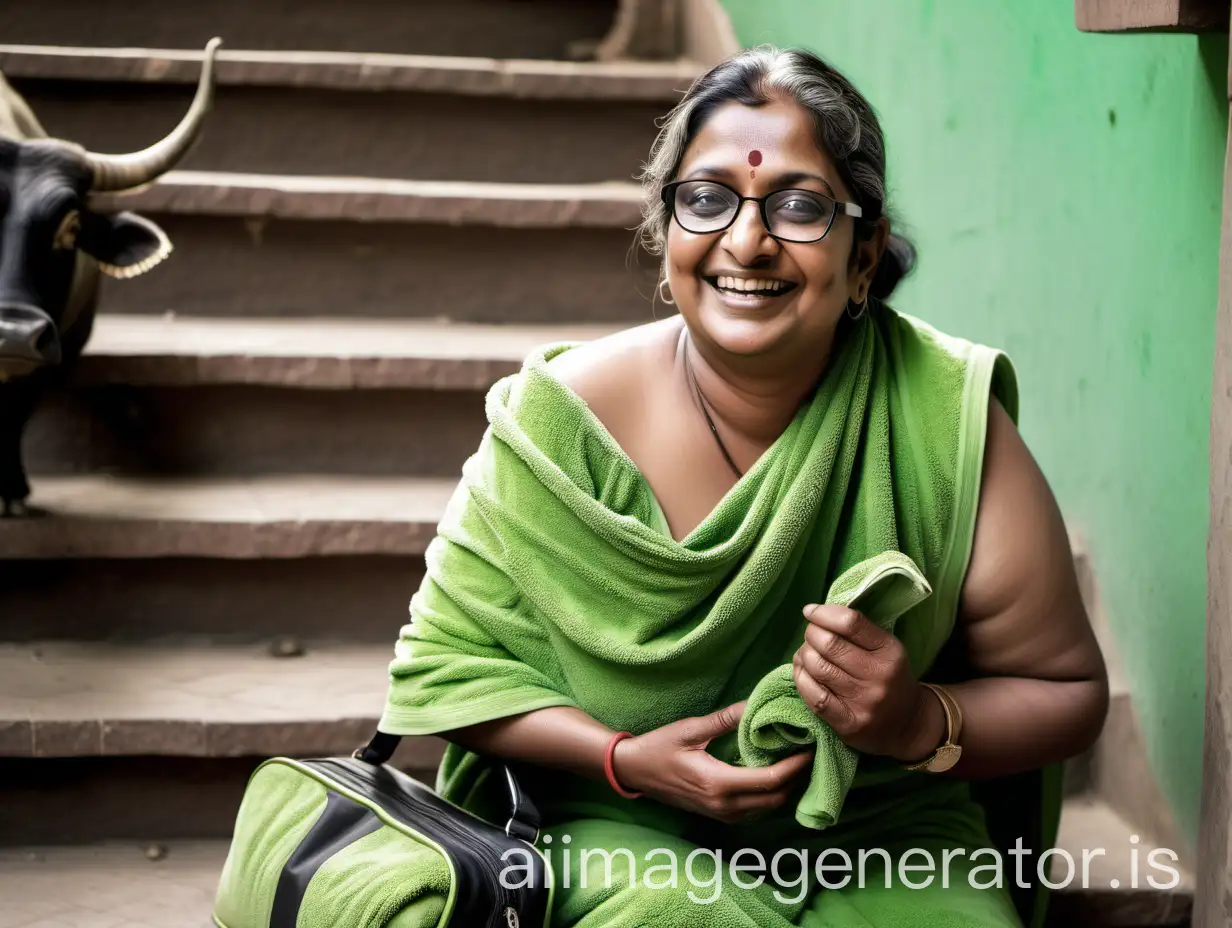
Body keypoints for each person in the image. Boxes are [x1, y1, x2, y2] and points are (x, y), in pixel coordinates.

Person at [379, 45, 1109, 927]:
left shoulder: (939, 416)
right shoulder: (560, 420)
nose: (747, 239)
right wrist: (625, 759)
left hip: (880, 828)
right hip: (610, 816)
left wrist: (918, 721)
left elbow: (1066, 692)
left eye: (799, 206)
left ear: (865, 255)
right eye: (707, 197)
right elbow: (446, 676)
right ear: (668, 231)